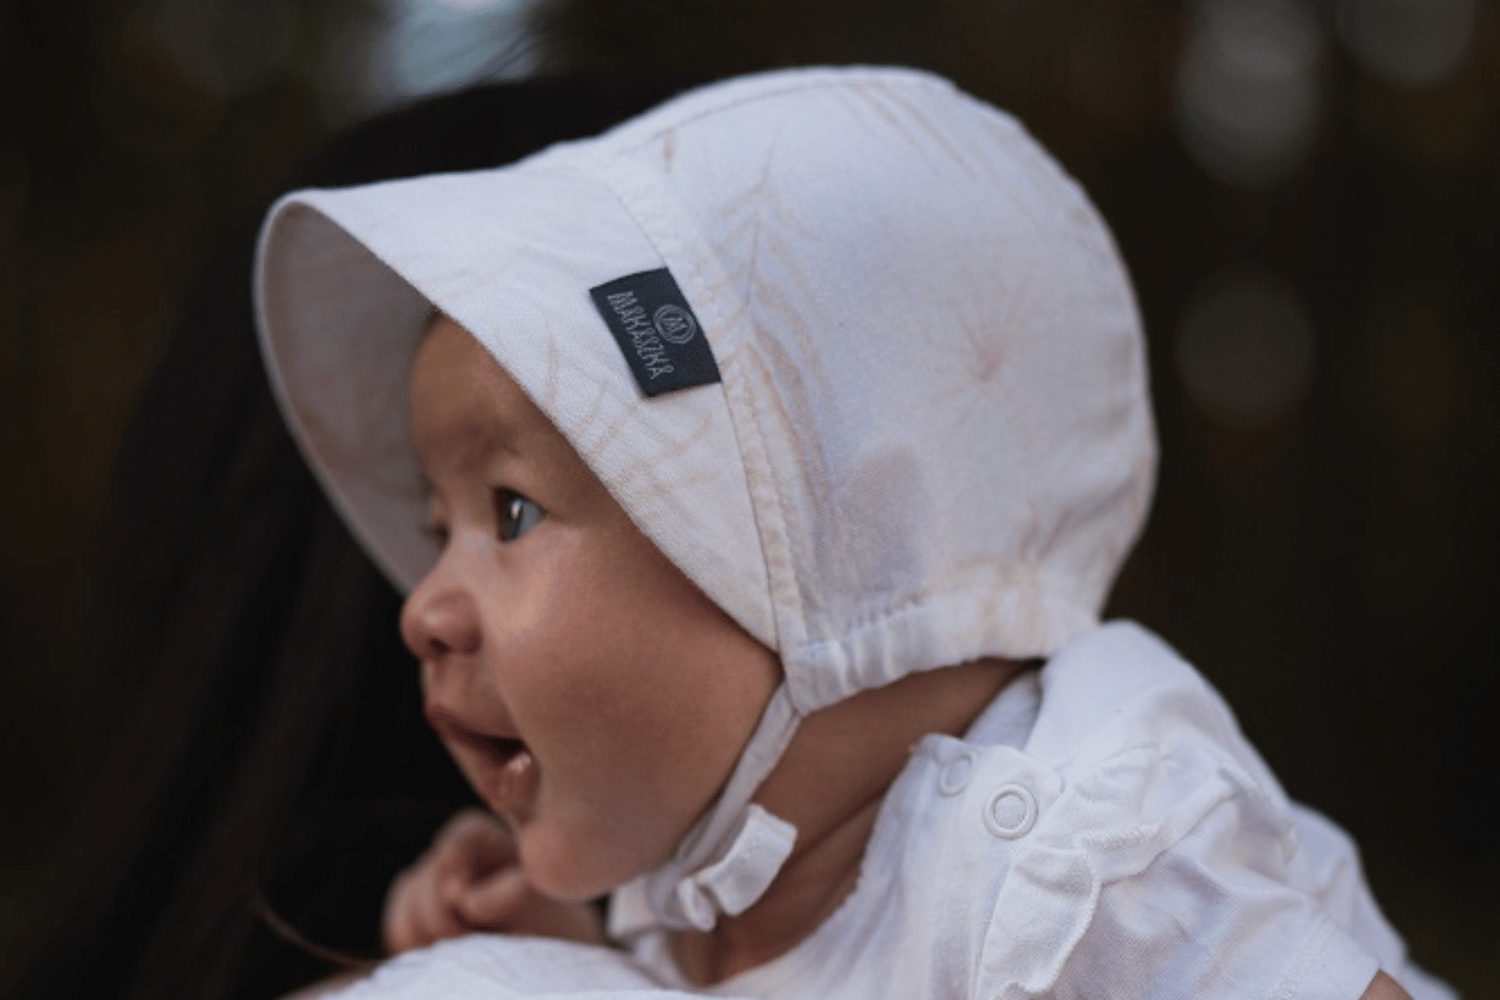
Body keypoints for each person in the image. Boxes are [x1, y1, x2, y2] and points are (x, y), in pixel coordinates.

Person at [253, 67, 1453, 999]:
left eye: (510, 513)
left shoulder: (1074, 864)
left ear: (817, 566)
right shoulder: (707, 882)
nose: (422, 603)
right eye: (437, 524)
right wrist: (575, 952)